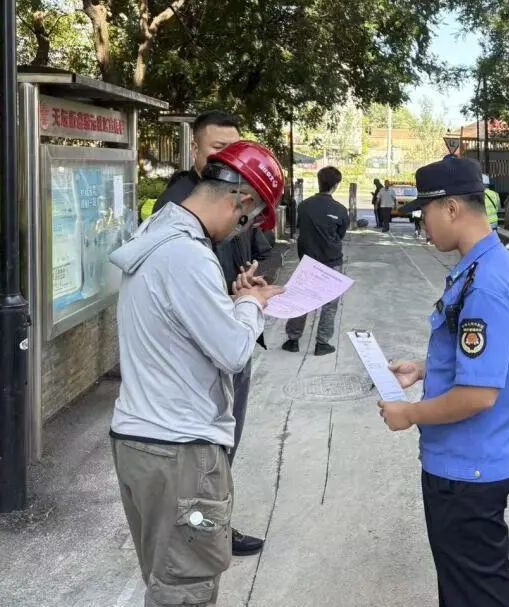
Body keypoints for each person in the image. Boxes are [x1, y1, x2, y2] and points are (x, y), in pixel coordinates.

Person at [109, 141, 285, 607]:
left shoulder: (160, 230)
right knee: (186, 588)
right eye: (246, 221)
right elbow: (232, 351)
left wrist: (230, 300)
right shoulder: (189, 255)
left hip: (141, 441)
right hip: (180, 452)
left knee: (166, 577)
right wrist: (251, 304)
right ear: (241, 201)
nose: (238, 233)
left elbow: (178, 323)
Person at [379, 156, 509, 607]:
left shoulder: (484, 284)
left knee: (477, 593)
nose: (422, 225)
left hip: (467, 468)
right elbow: (482, 362)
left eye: (424, 212)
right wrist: (425, 370)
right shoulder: (484, 266)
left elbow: (480, 394)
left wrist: (409, 413)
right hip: (467, 462)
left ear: (450, 209)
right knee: (465, 588)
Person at [150, 109, 271, 556]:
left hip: (230, 327)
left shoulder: (230, 199)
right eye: (219, 148)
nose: (230, 155)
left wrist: (246, 286)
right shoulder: (179, 208)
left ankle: (214, 523)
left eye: (235, 146)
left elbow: (256, 250)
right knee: (207, 449)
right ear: (195, 148)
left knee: (226, 440)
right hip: (208, 347)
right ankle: (202, 531)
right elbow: (187, 286)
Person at [282, 166, 348, 356]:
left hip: (308, 262)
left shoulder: (304, 206)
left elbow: (298, 228)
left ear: (319, 182)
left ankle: (293, 340)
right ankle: (322, 344)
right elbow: (340, 234)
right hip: (332, 262)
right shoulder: (340, 210)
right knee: (329, 305)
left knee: (301, 300)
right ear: (336, 185)